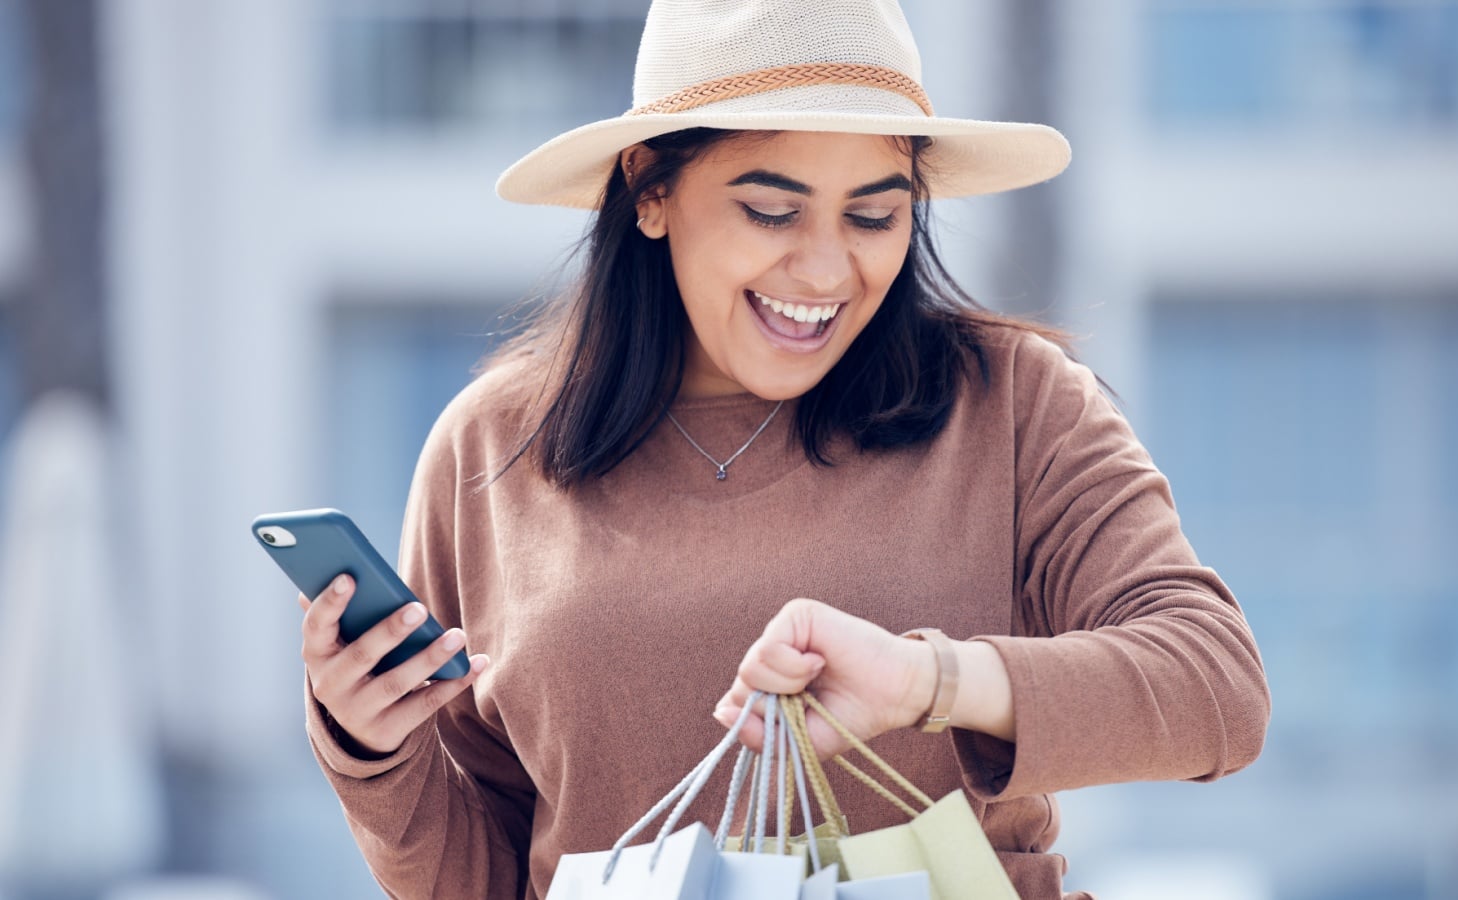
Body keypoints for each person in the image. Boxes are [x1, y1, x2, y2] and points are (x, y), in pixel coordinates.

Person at [295, 1, 1271, 898]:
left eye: (875, 214)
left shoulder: (1014, 405)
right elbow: (492, 873)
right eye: (771, 210)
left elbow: (1216, 687)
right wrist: (373, 755)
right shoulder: (493, 450)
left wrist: (930, 683)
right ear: (650, 190)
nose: (823, 267)